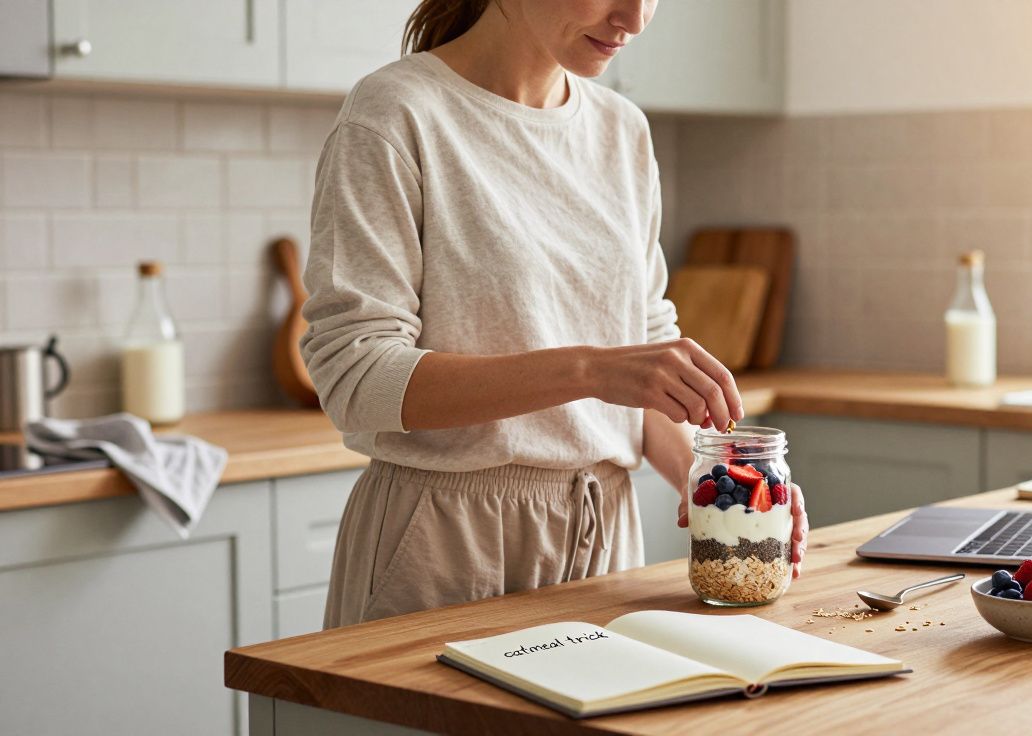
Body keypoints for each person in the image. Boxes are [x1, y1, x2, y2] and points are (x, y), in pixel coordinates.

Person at [303, 0, 809, 629]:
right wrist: (591, 372)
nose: (635, 17)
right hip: (444, 542)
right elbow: (355, 380)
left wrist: (721, 486)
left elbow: (643, 346)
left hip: (604, 542)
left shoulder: (622, 131)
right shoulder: (396, 113)